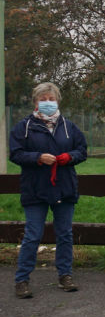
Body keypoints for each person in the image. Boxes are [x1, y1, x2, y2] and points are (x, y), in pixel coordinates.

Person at [10, 83, 88, 298]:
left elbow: (82, 150)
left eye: (51, 99)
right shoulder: (23, 127)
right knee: (33, 235)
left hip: (64, 188)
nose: (47, 103)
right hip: (35, 189)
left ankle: (65, 275)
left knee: (64, 234)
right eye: (43, 99)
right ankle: (22, 279)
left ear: (57, 101)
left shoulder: (69, 127)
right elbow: (15, 154)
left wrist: (69, 157)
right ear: (35, 102)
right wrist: (37, 157)